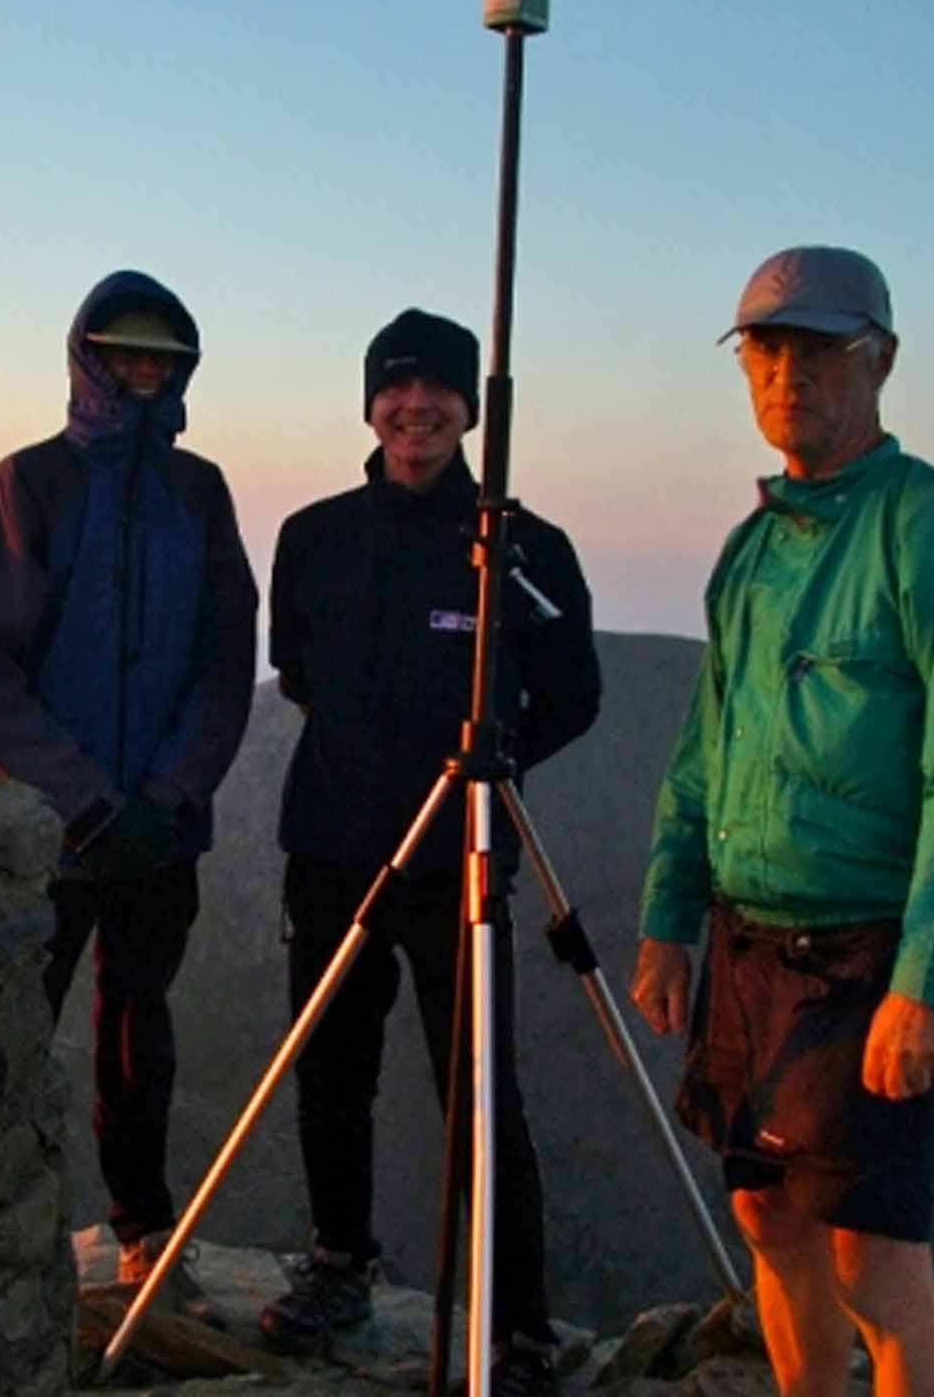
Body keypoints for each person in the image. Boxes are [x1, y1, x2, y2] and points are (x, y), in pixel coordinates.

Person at [629, 246, 934, 1397]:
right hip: (745, 939)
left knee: (876, 1264)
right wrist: (667, 920)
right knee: (766, 1217)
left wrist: (928, 981)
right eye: (765, 350)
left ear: (881, 362)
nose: (787, 374)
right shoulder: (753, 547)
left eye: (818, 349)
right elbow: (702, 750)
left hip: (865, 949)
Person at [261, 308, 601, 1394]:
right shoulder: (311, 535)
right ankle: (336, 1264)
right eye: (395, 389)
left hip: (459, 858)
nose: (416, 408)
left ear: (468, 407)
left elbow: (573, 693)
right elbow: (299, 673)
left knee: (478, 1093)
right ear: (368, 404)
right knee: (330, 1074)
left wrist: (485, 768)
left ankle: (515, 1328)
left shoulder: (519, 545)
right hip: (328, 848)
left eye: (438, 392)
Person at [0, 268, 257, 1312]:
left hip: (158, 831)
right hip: (50, 834)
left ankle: (141, 1234)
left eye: (158, 358)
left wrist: (170, 795)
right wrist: (80, 801)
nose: (141, 370)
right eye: (122, 352)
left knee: (137, 1032)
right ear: (85, 358)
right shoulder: (29, 482)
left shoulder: (198, 492)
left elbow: (224, 656)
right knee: (13, 1028)